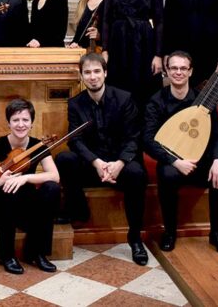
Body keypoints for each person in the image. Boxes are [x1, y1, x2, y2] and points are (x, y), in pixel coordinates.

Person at [56, 53, 149, 265]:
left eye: (97, 71)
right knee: (64, 159)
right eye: (87, 72)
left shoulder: (124, 98)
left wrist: (119, 163)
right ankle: (78, 210)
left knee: (137, 173)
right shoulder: (75, 104)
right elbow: (75, 140)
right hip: (94, 166)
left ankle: (135, 238)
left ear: (105, 73)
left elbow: (134, 137)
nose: (93, 77)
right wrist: (96, 162)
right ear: (81, 76)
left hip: (120, 165)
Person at [142, 51, 218, 256]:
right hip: (172, 161)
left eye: (183, 68)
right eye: (174, 68)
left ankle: (217, 233)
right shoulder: (156, 101)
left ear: (190, 72)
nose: (178, 72)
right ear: (167, 71)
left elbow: (217, 134)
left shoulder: (203, 101)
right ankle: (170, 232)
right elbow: (148, 140)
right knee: (166, 174)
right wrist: (174, 161)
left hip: (200, 159)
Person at [0, 98, 61, 274]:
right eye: (15, 120)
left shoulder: (37, 145)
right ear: (8, 123)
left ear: (32, 123)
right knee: (9, 188)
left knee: (52, 189)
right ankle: (7, 255)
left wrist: (25, 178)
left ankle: (37, 252)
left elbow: (54, 176)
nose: (20, 124)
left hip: (24, 206)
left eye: (25, 120)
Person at [101, 0, 164, 110]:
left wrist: (158, 55)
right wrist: (105, 50)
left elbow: (159, 22)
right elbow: (106, 20)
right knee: (118, 88)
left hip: (143, 42)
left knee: (143, 87)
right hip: (118, 42)